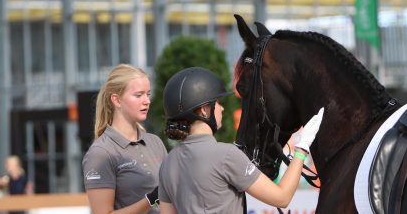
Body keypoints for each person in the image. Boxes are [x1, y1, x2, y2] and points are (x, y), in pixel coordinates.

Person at [158, 67, 324, 213]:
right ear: (203, 110)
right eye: (217, 103)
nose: (222, 108)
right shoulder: (226, 155)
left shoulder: (167, 163)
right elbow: (282, 197)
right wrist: (302, 148)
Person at [82, 64, 167, 214]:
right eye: (139, 95)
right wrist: (150, 200)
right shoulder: (100, 153)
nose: (147, 101)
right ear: (116, 100)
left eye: (148, 94)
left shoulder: (155, 142)